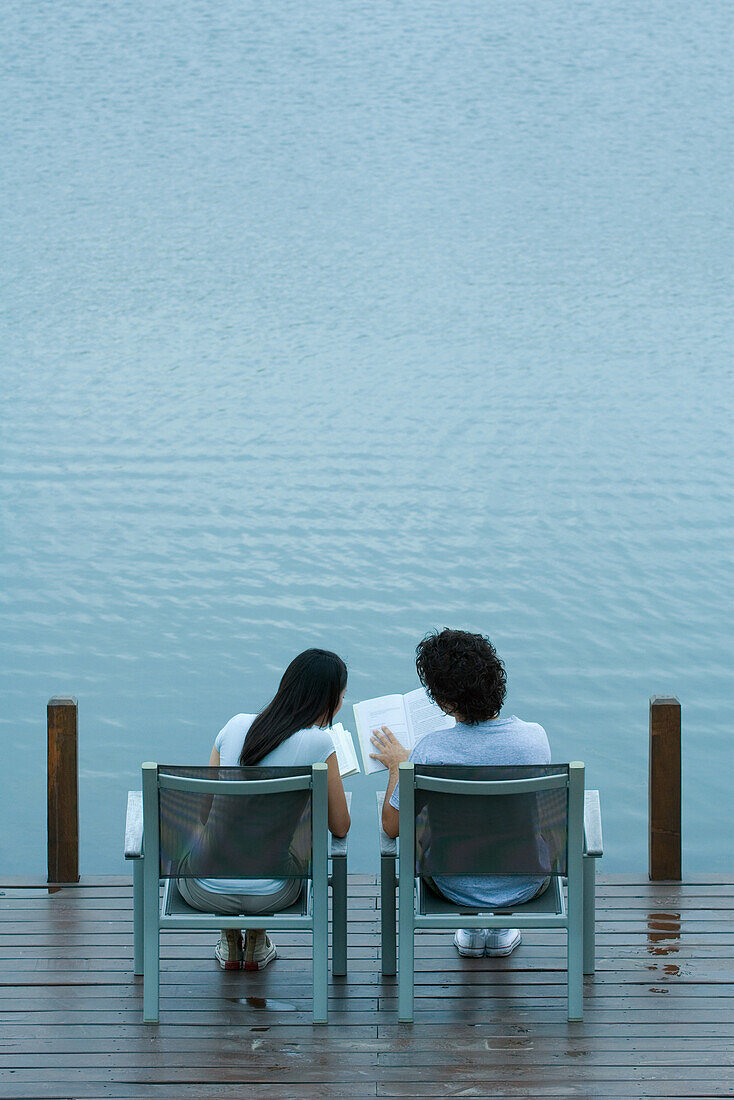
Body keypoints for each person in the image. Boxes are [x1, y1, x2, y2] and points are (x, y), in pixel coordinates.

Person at [371, 628, 550, 959]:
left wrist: (399, 766)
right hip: (525, 881)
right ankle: (498, 931)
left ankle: (470, 929)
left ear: (445, 701)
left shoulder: (429, 751)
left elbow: (391, 826)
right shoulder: (534, 739)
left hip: (451, 885)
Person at [177, 649, 350, 971]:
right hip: (272, 893)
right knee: (282, 848)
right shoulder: (319, 745)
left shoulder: (235, 726)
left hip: (203, 889)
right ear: (329, 701)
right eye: (341, 697)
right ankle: (256, 940)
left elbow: (205, 813)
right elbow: (340, 827)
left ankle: (230, 938)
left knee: (216, 840)